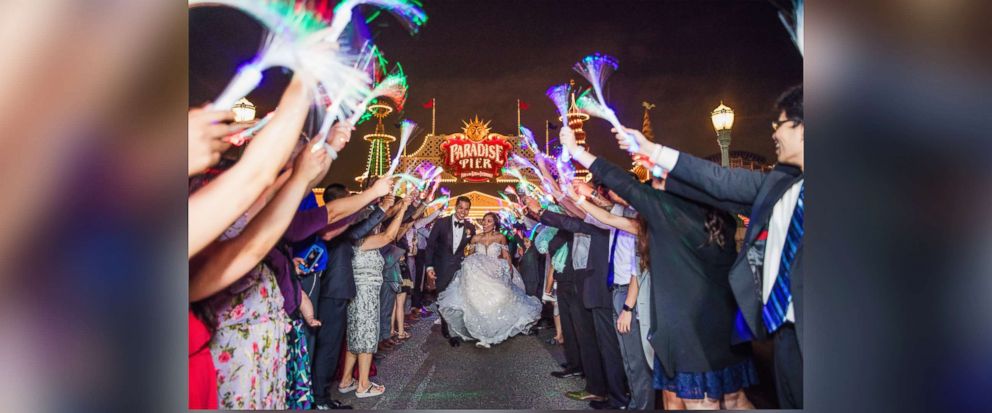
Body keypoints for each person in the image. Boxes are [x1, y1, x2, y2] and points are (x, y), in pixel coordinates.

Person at [618, 85, 804, 408]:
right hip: (787, 337)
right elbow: (718, 181)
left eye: (782, 123)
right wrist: (656, 155)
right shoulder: (780, 184)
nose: (773, 131)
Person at [562, 126, 758, 409]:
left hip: (689, 330)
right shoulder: (722, 218)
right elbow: (615, 212)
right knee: (735, 398)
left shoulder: (671, 215)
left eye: (659, 178)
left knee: (701, 403)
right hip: (726, 324)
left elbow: (625, 185)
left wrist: (579, 152)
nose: (654, 182)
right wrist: (584, 197)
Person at [311, 183, 393, 410]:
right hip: (333, 291)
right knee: (328, 346)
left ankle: (322, 394)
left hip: (336, 292)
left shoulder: (334, 225)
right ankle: (320, 397)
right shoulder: (331, 226)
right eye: (348, 198)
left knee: (332, 344)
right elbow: (360, 230)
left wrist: (384, 207)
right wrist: (382, 208)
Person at [338, 195, 412, 399]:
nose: (379, 223)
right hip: (366, 296)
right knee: (367, 337)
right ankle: (363, 384)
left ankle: (346, 380)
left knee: (354, 337)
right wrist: (403, 209)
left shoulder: (356, 238)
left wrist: (396, 206)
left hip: (358, 295)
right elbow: (389, 236)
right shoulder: (364, 241)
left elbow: (384, 218)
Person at [436, 212, 543, 348]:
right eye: (484, 221)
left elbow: (506, 256)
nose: (485, 224)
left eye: (488, 221)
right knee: (477, 302)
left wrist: (509, 272)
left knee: (499, 298)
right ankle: (482, 335)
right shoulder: (475, 238)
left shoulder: (500, 237)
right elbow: (470, 258)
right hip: (479, 278)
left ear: (494, 224)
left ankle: (493, 331)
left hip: (495, 273)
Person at [424, 196, 477, 347]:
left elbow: (474, 246)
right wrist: (429, 267)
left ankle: (453, 331)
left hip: (458, 267)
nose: (463, 211)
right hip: (441, 266)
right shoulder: (441, 223)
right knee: (442, 296)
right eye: (461, 208)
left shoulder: (470, 228)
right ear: (455, 207)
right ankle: (445, 326)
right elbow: (430, 247)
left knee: (456, 298)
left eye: (466, 209)